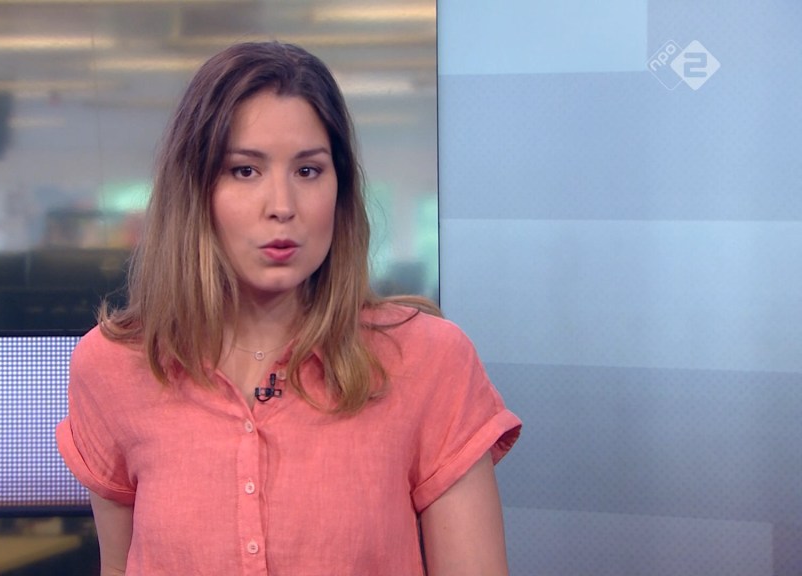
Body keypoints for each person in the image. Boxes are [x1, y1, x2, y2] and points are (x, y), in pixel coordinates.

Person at [56, 41, 521, 575]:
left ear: (340, 190)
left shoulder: (428, 361)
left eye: (308, 171)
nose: (282, 206)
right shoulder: (113, 367)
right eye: (244, 171)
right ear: (194, 191)